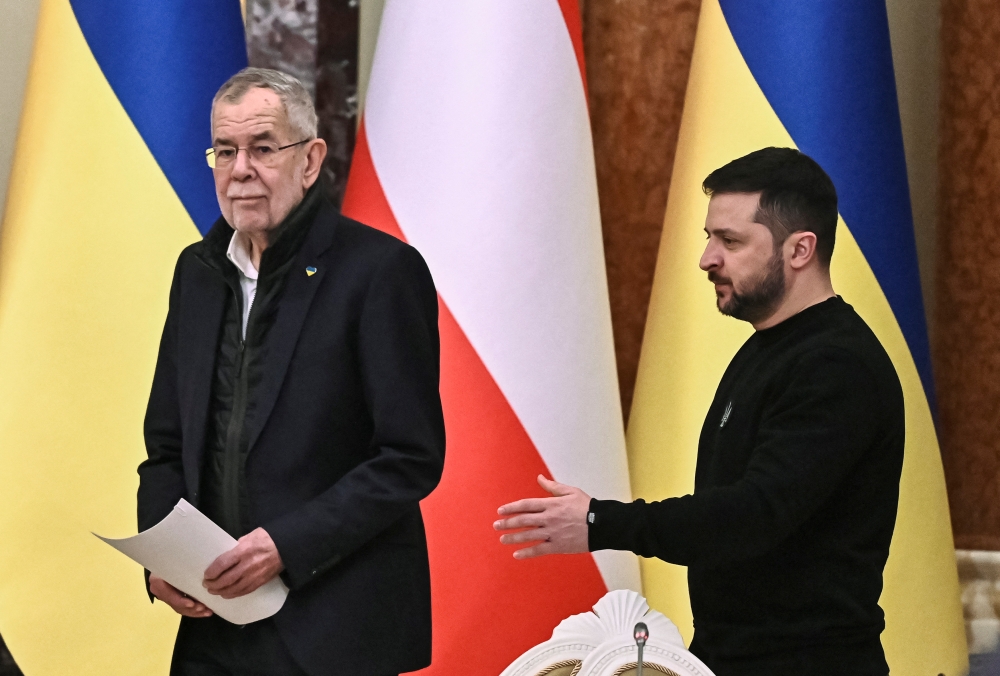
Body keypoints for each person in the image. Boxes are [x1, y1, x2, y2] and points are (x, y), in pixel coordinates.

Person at [494, 148, 904, 676]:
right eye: (710, 237)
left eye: (730, 241)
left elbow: (753, 515)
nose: (707, 259)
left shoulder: (837, 365)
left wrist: (601, 521)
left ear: (800, 249)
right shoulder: (768, 348)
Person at [138, 67, 445, 676]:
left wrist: (285, 545)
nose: (240, 170)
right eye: (225, 151)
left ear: (310, 161)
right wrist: (163, 559)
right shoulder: (197, 271)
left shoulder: (380, 272)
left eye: (262, 148)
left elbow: (409, 456)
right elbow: (167, 444)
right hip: (214, 623)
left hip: (335, 628)